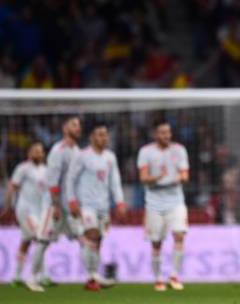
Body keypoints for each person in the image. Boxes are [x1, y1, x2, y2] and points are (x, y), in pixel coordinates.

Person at [66, 124, 126, 291]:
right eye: (100, 134)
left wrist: (120, 202)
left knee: (97, 240)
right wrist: (71, 201)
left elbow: (115, 181)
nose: (104, 138)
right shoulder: (82, 156)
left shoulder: (110, 157)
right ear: (92, 137)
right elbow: (71, 179)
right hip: (86, 205)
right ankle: (92, 275)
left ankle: (92, 278)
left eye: (105, 134)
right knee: (92, 235)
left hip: (103, 206)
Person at [29, 115, 83, 292]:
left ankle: (92, 276)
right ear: (64, 128)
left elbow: (73, 182)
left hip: (69, 207)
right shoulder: (58, 151)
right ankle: (32, 279)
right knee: (43, 241)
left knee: (83, 238)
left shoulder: (76, 151)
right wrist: (56, 206)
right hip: (54, 206)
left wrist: (76, 203)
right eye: (74, 125)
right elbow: (52, 182)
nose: (78, 128)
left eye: (79, 125)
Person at [137, 121, 189, 292]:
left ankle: (173, 276)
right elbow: (144, 178)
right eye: (162, 133)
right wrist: (159, 177)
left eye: (168, 132)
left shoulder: (179, 150)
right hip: (154, 203)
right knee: (156, 243)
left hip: (175, 201)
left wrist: (179, 178)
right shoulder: (146, 152)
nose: (166, 136)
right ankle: (158, 278)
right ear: (155, 134)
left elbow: (185, 175)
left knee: (179, 235)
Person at [0, 142, 47, 289]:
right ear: (29, 153)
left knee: (26, 241)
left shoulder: (46, 170)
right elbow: (11, 187)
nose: (38, 153)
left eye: (41, 151)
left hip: (39, 212)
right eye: (35, 151)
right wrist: (7, 206)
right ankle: (41, 276)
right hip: (25, 210)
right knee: (40, 238)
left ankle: (16, 276)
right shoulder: (23, 168)